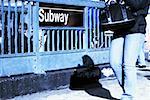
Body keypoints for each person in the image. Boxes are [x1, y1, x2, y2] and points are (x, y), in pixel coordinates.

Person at [109, 0, 149, 99]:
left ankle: (129, 95)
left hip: (136, 27)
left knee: (128, 64)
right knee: (114, 62)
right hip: (119, 25)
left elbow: (137, 4)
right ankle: (129, 89)